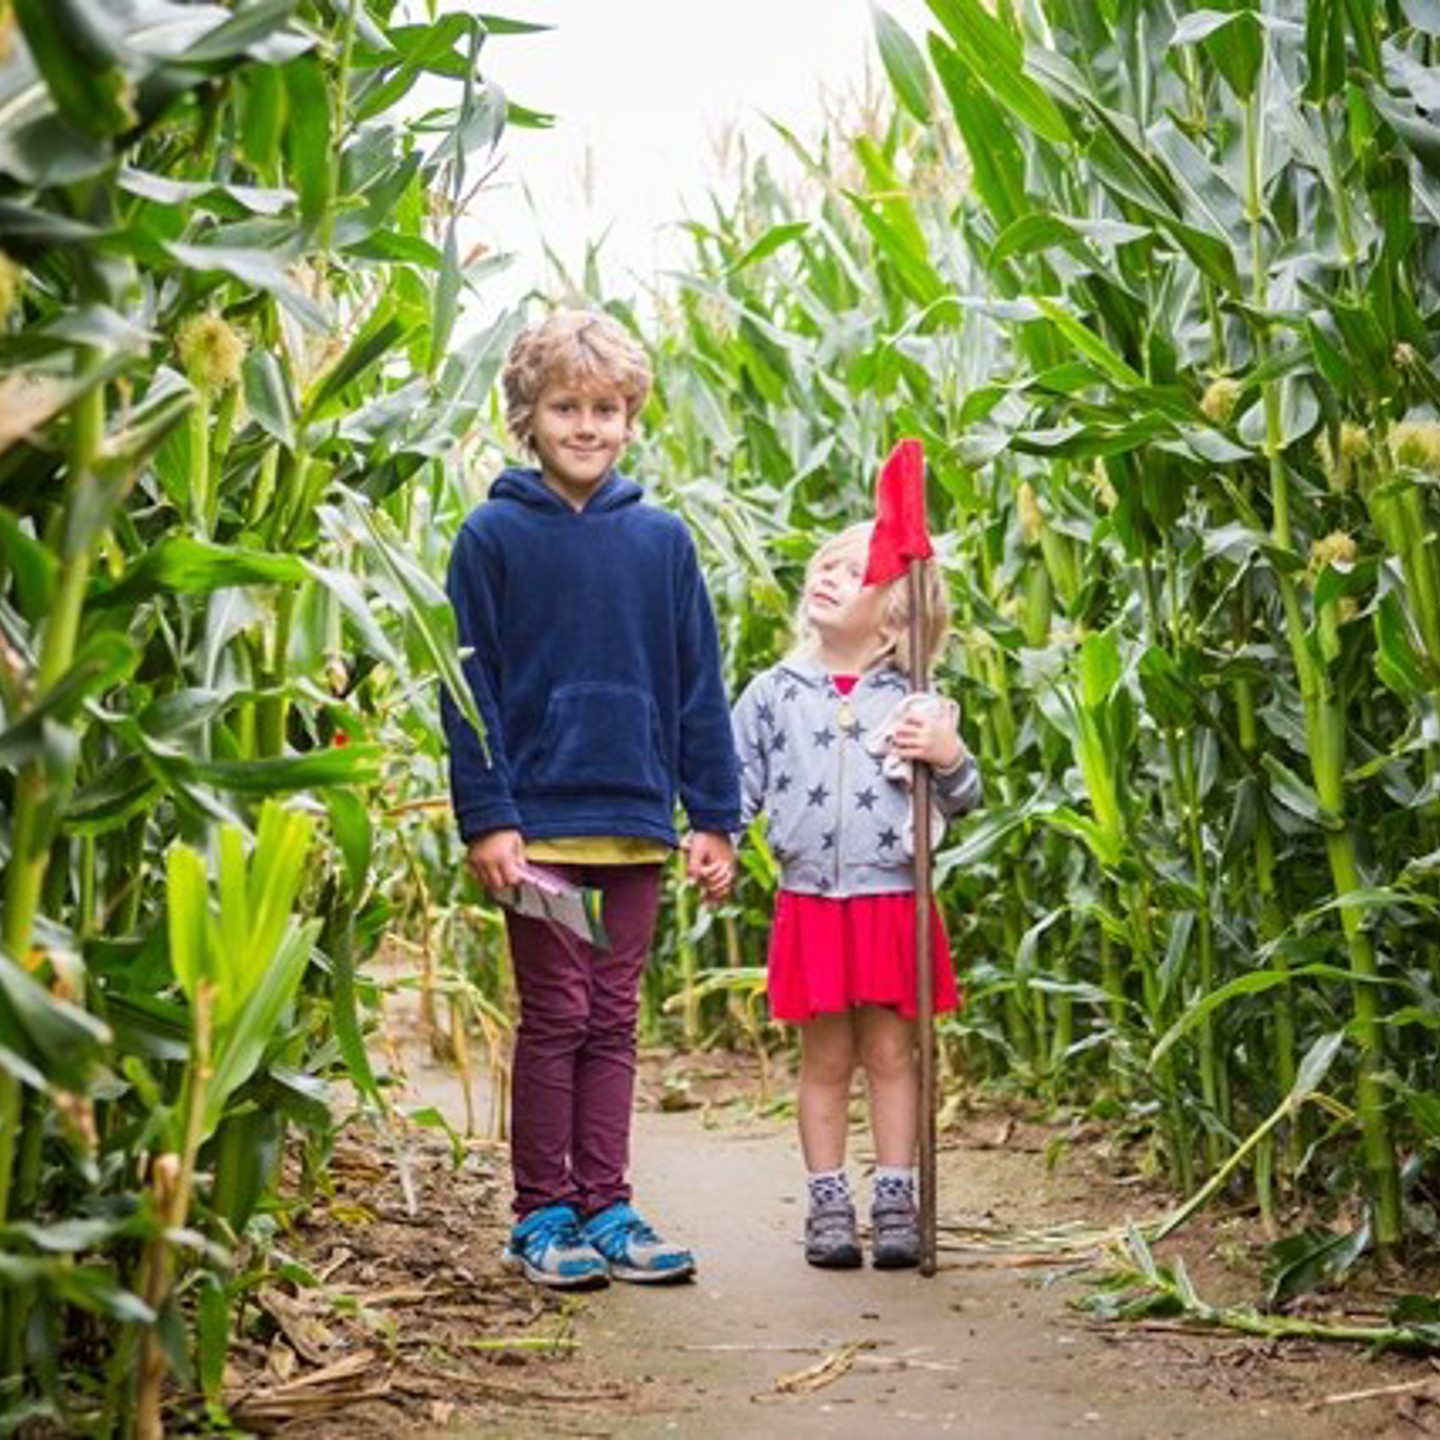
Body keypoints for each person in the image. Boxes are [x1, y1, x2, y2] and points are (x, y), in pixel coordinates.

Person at [441, 309, 738, 1290]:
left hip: (636, 828)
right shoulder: (490, 537)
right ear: (528, 415)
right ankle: (543, 1213)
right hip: (538, 830)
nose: (588, 427)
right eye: (567, 406)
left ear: (630, 419)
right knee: (557, 1009)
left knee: (613, 1016)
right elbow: (465, 685)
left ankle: (607, 1205)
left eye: (607, 409)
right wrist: (489, 817)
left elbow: (699, 682)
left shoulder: (660, 542)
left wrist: (715, 816)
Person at [731, 521, 981, 1269]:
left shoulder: (919, 702)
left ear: (896, 617)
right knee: (826, 1060)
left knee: (893, 1054)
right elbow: (734, 785)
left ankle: (897, 1196)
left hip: (892, 902)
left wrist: (950, 754)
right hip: (811, 902)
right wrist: (713, 843)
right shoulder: (774, 693)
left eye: (852, 572)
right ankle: (829, 1201)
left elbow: (964, 796)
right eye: (826, 566)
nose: (829, 576)